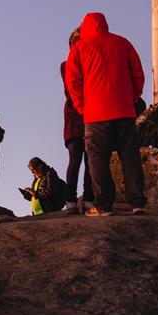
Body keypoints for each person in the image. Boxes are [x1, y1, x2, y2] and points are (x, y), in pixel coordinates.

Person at [65, 12, 146, 217]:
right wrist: (132, 99)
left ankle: (103, 205)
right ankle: (137, 203)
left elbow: (73, 82)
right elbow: (138, 74)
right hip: (124, 110)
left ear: (85, 28)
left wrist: (82, 107)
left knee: (97, 158)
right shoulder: (123, 43)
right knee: (130, 155)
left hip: (95, 114)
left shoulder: (79, 48)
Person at [61, 27, 95, 215]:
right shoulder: (67, 66)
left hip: (89, 117)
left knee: (90, 161)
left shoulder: (88, 66)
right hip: (76, 119)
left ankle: (88, 199)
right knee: (76, 160)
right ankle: (71, 201)